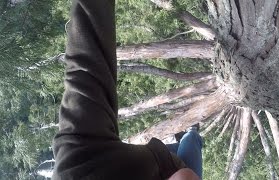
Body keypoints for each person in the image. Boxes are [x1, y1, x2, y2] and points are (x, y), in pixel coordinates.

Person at [52, 0, 202, 179]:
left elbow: (86, 65)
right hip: (160, 167)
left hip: (131, 162)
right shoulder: (75, 161)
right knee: (189, 143)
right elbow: (85, 68)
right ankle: (190, 135)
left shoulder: (77, 163)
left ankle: (188, 137)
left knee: (187, 146)